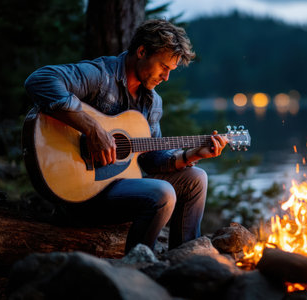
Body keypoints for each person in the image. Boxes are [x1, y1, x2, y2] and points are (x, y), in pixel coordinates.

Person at [24, 19, 228, 253]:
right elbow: (39, 80)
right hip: (79, 194)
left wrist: (192, 154)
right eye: (164, 67)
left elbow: (153, 160)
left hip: (120, 190)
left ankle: (185, 259)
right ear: (142, 51)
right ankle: (139, 265)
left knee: (196, 178)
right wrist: (92, 129)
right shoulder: (101, 75)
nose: (166, 77)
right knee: (163, 193)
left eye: (171, 71)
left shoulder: (152, 102)